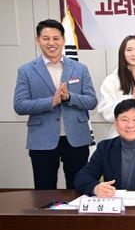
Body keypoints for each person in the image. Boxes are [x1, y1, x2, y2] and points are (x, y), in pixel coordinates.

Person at [13, 19, 97, 189]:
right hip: (42, 139)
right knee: (44, 190)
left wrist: (69, 98)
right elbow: (20, 105)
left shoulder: (80, 68)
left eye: (56, 38)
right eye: (46, 38)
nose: (51, 43)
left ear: (63, 40)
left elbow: (91, 101)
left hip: (76, 138)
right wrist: (52, 101)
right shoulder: (26, 70)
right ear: (38, 40)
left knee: (78, 188)